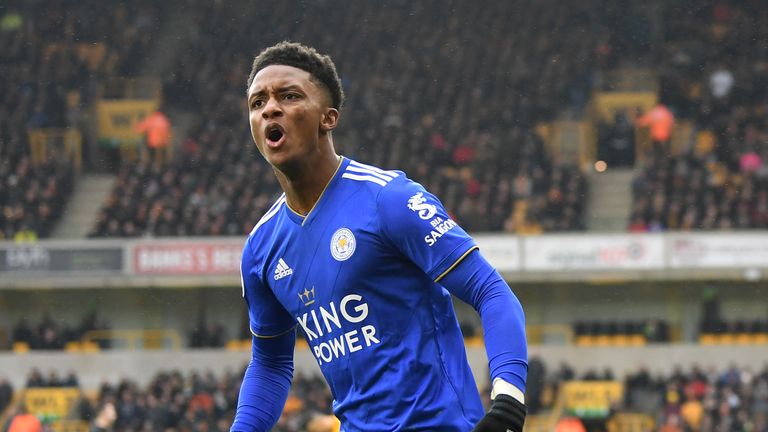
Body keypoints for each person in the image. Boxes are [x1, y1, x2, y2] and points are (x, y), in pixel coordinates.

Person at [232, 41, 528, 432]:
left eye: (289, 96)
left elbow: (489, 290)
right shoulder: (261, 249)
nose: (270, 108)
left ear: (328, 118)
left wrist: (508, 402)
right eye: (258, 102)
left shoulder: (388, 200)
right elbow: (270, 363)